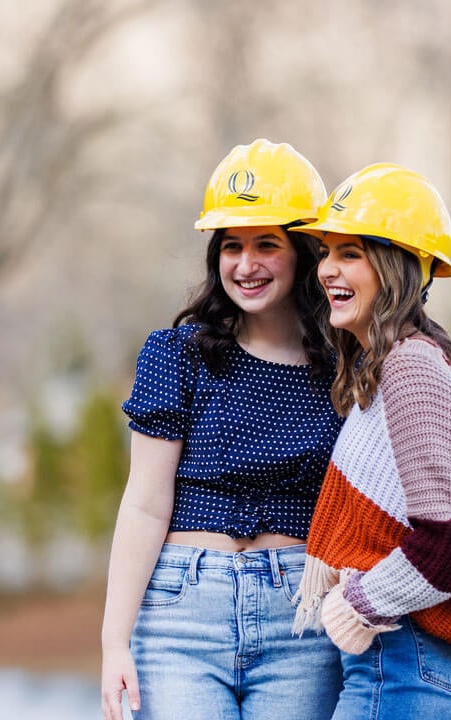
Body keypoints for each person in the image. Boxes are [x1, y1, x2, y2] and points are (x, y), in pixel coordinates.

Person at [100, 139, 346, 720]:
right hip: (182, 614)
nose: (245, 264)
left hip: (302, 620)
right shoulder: (176, 355)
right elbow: (143, 504)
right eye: (231, 246)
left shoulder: (345, 369)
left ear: (306, 252)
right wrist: (114, 642)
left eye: (267, 245)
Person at [291, 163, 451, 719]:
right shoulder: (395, 363)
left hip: (408, 655)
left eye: (351, 254)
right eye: (325, 253)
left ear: (397, 269)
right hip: (412, 656)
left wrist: (360, 604)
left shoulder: (409, 366)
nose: (327, 271)